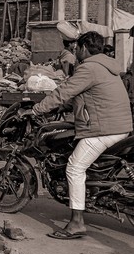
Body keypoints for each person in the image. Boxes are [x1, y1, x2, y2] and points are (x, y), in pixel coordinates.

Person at [25, 32, 132, 239]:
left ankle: (76, 223)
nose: (75, 53)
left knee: (74, 167)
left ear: (83, 48)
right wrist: (60, 107)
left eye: (76, 49)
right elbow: (80, 96)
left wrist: (36, 110)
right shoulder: (107, 67)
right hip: (120, 126)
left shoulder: (89, 68)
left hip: (104, 129)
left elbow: (63, 92)